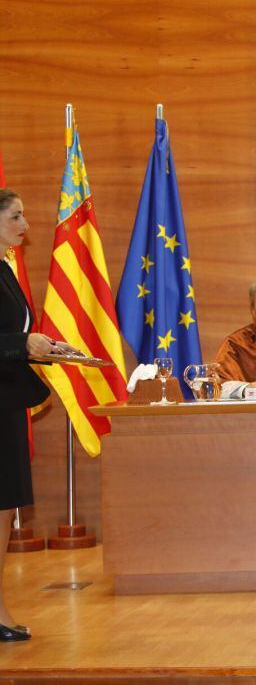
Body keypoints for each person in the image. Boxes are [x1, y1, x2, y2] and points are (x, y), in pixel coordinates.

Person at [0, 189, 60, 642]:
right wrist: (21, 344)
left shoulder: (3, 268)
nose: (26, 225)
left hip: (6, 402)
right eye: (17, 216)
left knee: (4, 508)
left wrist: (40, 346)